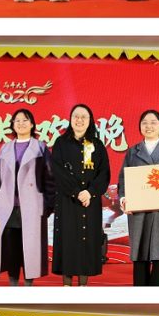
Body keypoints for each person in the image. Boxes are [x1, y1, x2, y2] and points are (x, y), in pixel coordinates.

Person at [117, 109, 159, 286]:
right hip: (139, 211)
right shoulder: (133, 151)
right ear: (140, 127)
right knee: (140, 254)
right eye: (145, 123)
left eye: (153, 122)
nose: (149, 126)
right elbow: (123, 179)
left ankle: (158, 296)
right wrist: (123, 198)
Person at [0, 108, 54, 284]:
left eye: (25, 120)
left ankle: (28, 284)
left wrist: (48, 205)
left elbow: (49, 177)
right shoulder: (5, 148)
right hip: (8, 205)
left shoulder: (40, 148)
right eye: (17, 120)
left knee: (30, 247)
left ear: (32, 124)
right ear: (12, 125)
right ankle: (13, 283)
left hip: (32, 205)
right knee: (11, 247)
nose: (21, 123)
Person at [50, 104, 109, 285]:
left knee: (87, 241)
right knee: (68, 240)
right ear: (70, 119)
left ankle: (83, 284)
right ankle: (66, 284)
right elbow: (58, 171)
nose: (79, 120)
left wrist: (90, 192)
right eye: (76, 116)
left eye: (84, 117)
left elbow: (104, 173)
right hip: (67, 201)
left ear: (90, 121)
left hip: (90, 202)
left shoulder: (97, 145)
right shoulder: (61, 143)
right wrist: (76, 192)